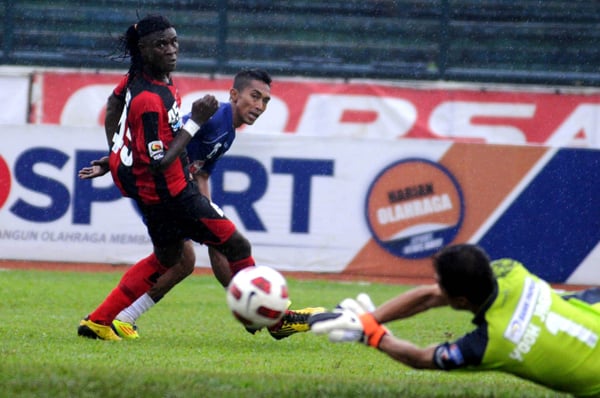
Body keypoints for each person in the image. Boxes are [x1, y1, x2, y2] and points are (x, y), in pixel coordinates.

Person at [77, 15, 322, 341]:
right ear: (234, 95)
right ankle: (273, 320)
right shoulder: (174, 105)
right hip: (170, 191)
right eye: (162, 44)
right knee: (233, 244)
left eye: (174, 41)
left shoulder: (142, 80)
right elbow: (161, 160)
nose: (172, 49)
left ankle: (101, 320)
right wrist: (194, 123)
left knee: (172, 259)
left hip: (159, 193)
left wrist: (115, 155)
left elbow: (115, 105)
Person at [309, 243, 600, 397]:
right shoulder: (513, 271)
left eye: (441, 283)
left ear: (460, 301)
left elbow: (422, 358)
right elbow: (430, 296)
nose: (436, 287)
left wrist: (372, 336)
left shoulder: (492, 344)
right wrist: (368, 319)